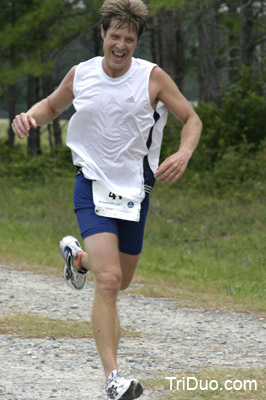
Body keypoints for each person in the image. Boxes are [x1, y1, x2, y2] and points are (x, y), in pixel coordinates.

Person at [12, 0, 202, 398]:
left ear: (136, 42)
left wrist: (183, 153)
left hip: (136, 190)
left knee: (123, 279)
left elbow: (192, 119)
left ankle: (77, 259)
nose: (120, 45)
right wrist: (28, 116)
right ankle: (114, 378)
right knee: (110, 281)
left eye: (128, 39)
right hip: (92, 184)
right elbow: (50, 106)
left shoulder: (152, 77)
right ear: (102, 33)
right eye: (114, 36)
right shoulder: (81, 74)